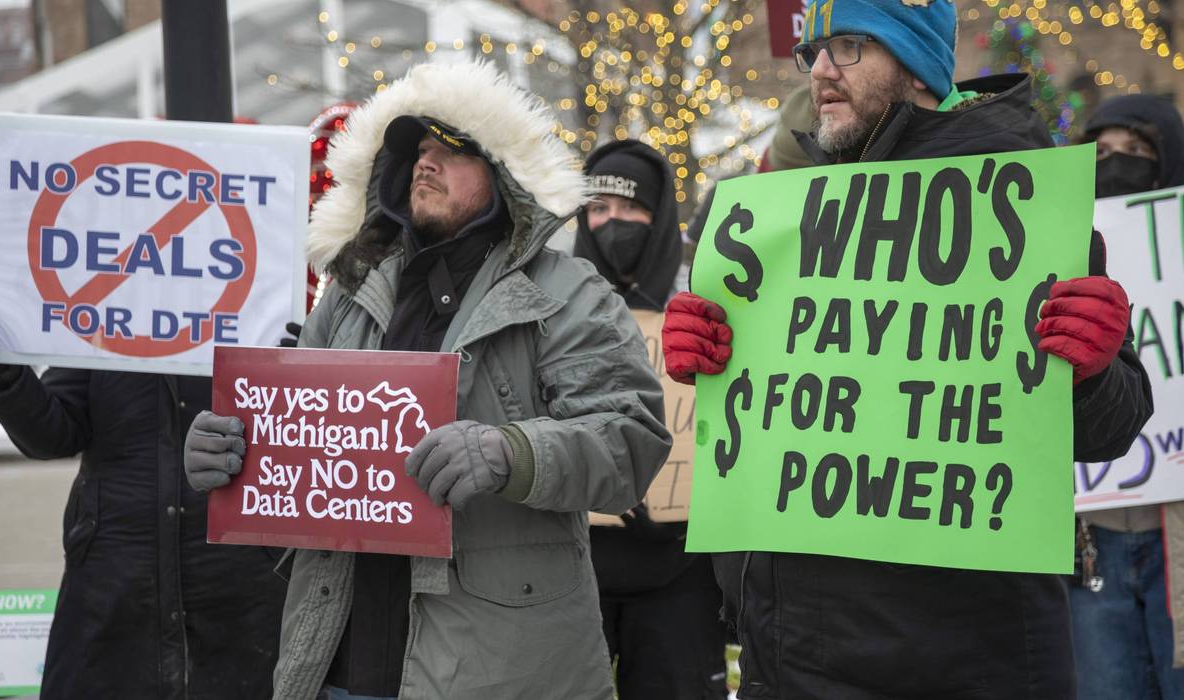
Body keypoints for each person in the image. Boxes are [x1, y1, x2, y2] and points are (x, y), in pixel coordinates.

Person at [661, 1, 1155, 697]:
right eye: (813, 52)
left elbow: (1114, 427)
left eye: (850, 46)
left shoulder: (1020, 198)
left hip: (961, 659)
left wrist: (1092, 370)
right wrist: (715, 357)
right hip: (788, 653)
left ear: (917, 63)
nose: (821, 72)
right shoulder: (788, 211)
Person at [183, 61, 672, 700]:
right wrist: (232, 455)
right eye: (418, 150)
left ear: (501, 172)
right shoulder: (348, 292)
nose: (425, 163)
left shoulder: (566, 292)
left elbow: (629, 441)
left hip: (499, 671)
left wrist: (511, 453)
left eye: (451, 148)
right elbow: (302, 452)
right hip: (337, 666)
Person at [0, 312, 287, 699]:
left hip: (240, 582)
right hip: (114, 582)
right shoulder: (109, 314)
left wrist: (304, 372)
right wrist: (5, 376)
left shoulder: (265, 311)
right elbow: (51, 435)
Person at [574, 140, 727, 699]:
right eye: (597, 210)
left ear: (659, 212)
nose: (612, 222)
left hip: (680, 573)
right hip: (575, 569)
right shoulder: (553, 304)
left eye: (629, 208)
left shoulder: (707, 295)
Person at [1070, 93, 1184, 700]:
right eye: (1103, 152)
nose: (1116, 165)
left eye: (1137, 152)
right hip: (1093, 533)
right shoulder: (1062, 251)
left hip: (1176, 531)